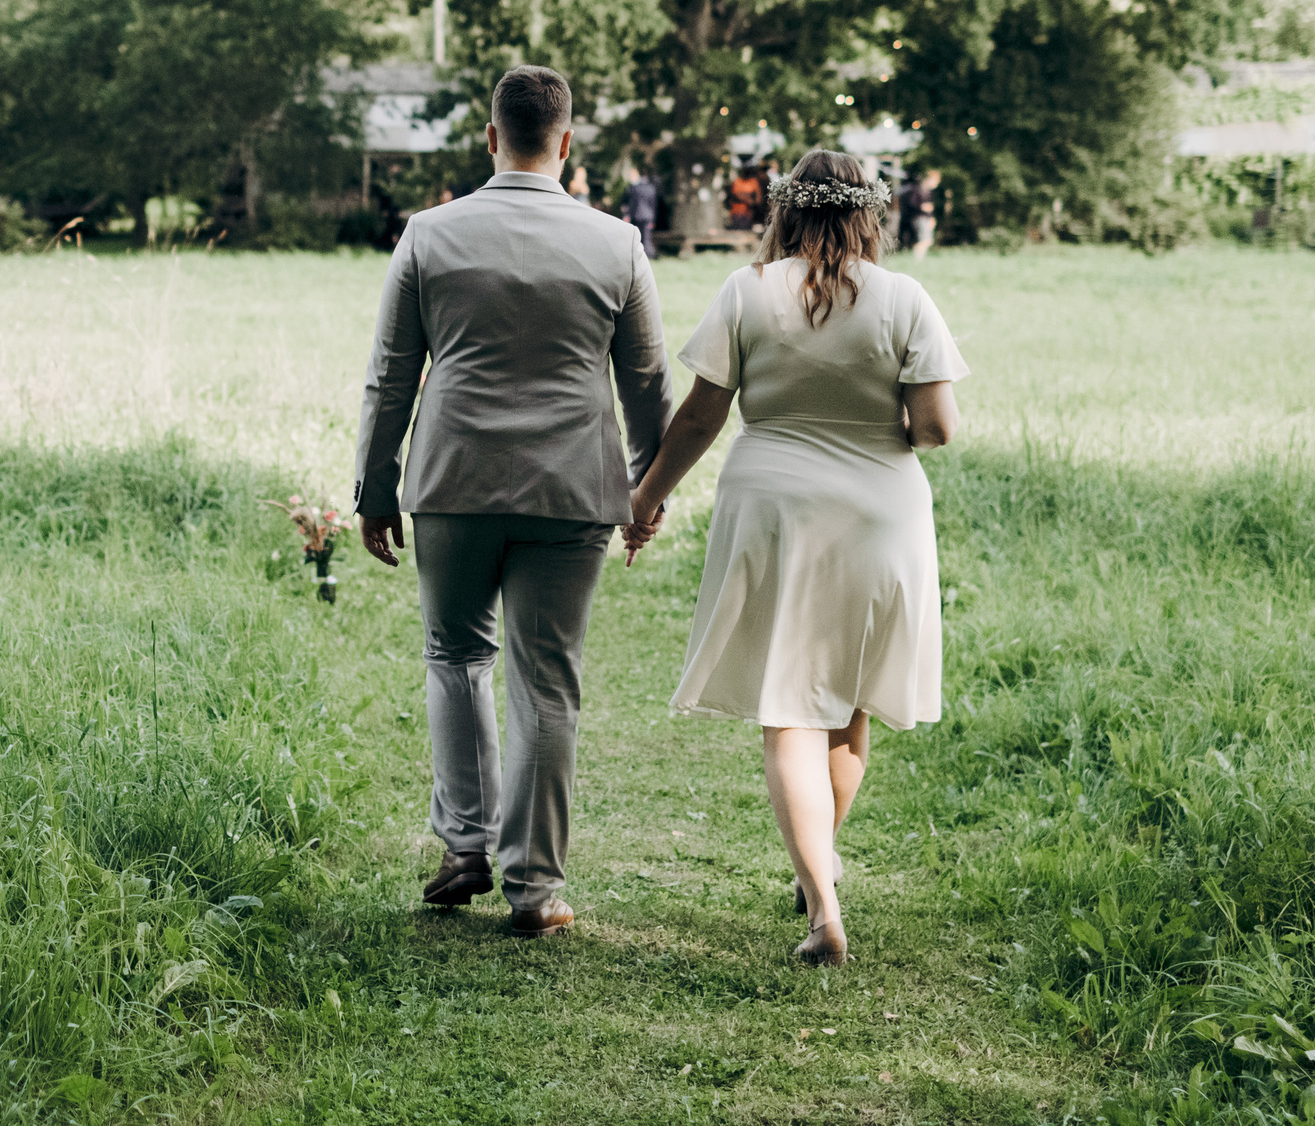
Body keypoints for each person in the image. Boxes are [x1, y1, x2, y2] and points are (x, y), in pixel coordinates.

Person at [621, 149, 967, 966]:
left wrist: (645, 498)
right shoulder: (904, 297)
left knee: (789, 708)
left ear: (786, 211)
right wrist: (892, 428)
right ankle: (820, 877)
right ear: (867, 213)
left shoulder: (748, 291)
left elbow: (703, 417)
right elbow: (939, 427)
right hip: (882, 512)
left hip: (774, 506)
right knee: (847, 708)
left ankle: (823, 906)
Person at [355, 66, 673, 938]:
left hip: (453, 480)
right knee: (547, 679)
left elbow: (392, 375)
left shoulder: (428, 234)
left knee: (455, 655)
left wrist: (375, 487)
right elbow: (645, 381)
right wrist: (647, 489)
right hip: (573, 486)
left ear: (490, 136)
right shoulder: (616, 243)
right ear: (566, 144)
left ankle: (464, 843)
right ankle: (535, 888)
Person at [621, 167, 661, 258]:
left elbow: (630, 204)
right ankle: (646, 256)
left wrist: (627, 215)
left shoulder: (634, 188)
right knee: (646, 238)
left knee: (636, 238)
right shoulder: (651, 188)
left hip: (636, 216)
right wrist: (653, 219)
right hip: (648, 216)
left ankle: (637, 256)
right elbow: (653, 205)